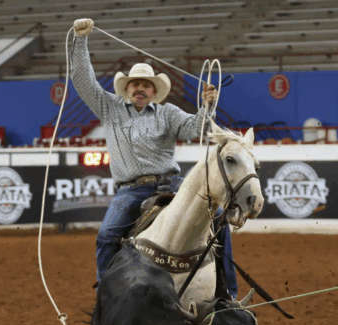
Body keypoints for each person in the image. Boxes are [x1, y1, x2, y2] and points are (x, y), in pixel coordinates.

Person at [71, 18, 239, 299]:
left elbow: (196, 127)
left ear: (153, 91)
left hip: (172, 183)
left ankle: (227, 294)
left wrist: (207, 105)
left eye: (146, 85)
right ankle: (107, 299)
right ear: (126, 88)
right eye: (135, 83)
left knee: (219, 219)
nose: (140, 88)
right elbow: (82, 79)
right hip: (131, 190)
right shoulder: (109, 108)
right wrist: (80, 40)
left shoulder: (168, 113)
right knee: (107, 236)